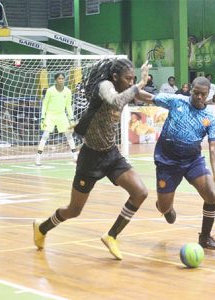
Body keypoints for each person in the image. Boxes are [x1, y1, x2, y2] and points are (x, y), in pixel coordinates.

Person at [33, 59, 151, 260]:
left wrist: (170, 101)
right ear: (115, 77)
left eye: (133, 79)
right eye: (128, 78)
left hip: (111, 154)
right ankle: (42, 227)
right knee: (74, 210)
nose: (131, 83)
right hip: (90, 158)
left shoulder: (127, 89)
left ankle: (111, 236)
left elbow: (142, 95)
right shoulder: (105, 86)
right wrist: (140, 83)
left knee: (140, 192)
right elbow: (115, 100)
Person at [135, 76, 215, 250]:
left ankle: (205, 237)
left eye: (203, 94)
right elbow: (148, 97)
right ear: (190, 90)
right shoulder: (176, 100)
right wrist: (129, 89)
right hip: (167, 161)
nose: (199, 97)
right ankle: (166, 208)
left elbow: (214, 146)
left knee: (210, 193)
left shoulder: (210, 118)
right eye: (196, 93)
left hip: (193, 160)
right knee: (163, 208)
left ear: (209, 94)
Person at [35, 73, 78, 165]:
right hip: (50, 115)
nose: (61, 80)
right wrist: (43, 117)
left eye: (62, 78)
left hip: (62, 115)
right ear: (55, 80)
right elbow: (45, 104)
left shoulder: (68, 91)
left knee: (69, 135)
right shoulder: (50, 91)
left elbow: (68, 106)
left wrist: (71, 119)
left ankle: (75, 155)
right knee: (45, 135)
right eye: (59, 78)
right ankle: (38, 157)